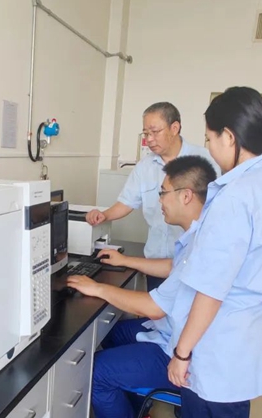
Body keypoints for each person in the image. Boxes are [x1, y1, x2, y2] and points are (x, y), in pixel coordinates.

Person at [69, 86, 262, 418]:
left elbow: (211, 289)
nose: (208, 147)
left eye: (210, 139)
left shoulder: (236, 195)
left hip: (216, 347)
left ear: (229, 136)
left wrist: (181, 352)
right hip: (242, 344)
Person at [69, 155, 217, 418]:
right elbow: (172, 267)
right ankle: (137, 413)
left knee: (97, 370)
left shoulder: (205, 244)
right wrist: (125, 261)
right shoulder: (200, 233)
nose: (159, 200)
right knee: (113, 335)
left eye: (163, 192)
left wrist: (98, 288)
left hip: (182, 353)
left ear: (186, 195)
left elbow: (153, 308)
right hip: (174, 333)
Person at [85, 102, 220, 291]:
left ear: (175, 128)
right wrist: (104, 215)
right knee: (156, 306)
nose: (149, 139)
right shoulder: (145, 167)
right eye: (146, 133)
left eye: (155, 132)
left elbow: (219, 209)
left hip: (193, 263)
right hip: (156, 263)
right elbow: (127, 201)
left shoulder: (205, 161)